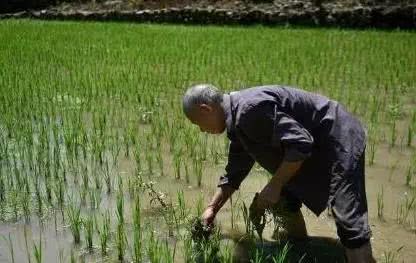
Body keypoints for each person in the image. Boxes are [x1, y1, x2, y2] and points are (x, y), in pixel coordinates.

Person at [182, 84, 377, 263]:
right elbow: (234, 173)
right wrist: (212, 209)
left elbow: (301, 143)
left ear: (205, 109)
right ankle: (302, 249)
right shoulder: (238, 121)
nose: (201, 130)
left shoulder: (248, 111)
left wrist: (274, 185)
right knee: (284, 201)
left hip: (338, 139)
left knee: (347, 218)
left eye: (197, 123)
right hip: (313, 145)